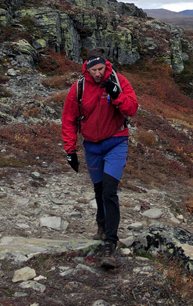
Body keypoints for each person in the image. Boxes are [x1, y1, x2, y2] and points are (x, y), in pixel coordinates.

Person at [60, 48, 140, 255]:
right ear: (87, 67)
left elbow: (131, 109)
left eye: (101, 68)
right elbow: (69, 119)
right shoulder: (78, 88)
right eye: (94, 69)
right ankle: (102, 226)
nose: (98, 73)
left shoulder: (118, 81)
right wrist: (70, 150)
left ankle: (110, 243)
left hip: (116, 142)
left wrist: (116, 95)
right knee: (98, 190)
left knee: (109, 191)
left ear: (106, 66)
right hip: (92, 146)